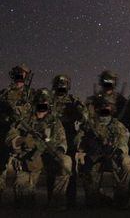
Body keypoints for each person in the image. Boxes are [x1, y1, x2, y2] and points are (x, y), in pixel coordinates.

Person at [5, 88, 72, 208]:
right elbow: (10, 138)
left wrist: (58, 152)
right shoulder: (24, 120)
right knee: (24, 204)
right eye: (39, 104)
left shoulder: (54, 122)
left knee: (65, 161)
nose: (42, 107)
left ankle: (57, 200)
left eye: (45, 104)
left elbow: (63, 142)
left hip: (48, 158)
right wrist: (23, 140)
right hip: (29, 160)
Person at [76, 97, 130, 208]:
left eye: (107, 109)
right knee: (91, 201)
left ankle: (120, 198)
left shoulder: (117, 125)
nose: (104, 112)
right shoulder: (90, 124)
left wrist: (118, 151)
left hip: (113, 156)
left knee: (126, 161)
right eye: (102, 109)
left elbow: (124, 141)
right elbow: (79, 142)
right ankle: (100, 197)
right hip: (95, 158)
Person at [0, 64, 34, 202]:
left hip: (25, 136)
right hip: (4, 134)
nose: (21, 76)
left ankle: (23, 192)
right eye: (18, 73)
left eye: (23, 73)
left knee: (24, 200)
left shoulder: (33, 95)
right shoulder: (4, 94)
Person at [51, 74, 86, 207]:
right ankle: (53, 198)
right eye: (60, 84)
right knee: (53, 166)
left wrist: (80, 110)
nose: (62, 86)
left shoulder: (73, 100)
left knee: (69, 166)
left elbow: (83, 116)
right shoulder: (49, 99)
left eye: (64, 84)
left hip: (69, 133)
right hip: (52, 134)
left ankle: (71, 200)